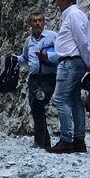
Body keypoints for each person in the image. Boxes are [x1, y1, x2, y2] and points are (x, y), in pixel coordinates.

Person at [48, 0, 90, 154]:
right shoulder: (75, 14)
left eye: (58, 0)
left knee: (60, 98)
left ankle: (66, 140)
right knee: (75, 100)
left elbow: (82, 41)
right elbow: (84, 40)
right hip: (74, 62)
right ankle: (79, 140)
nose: (57, 4)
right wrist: (88, 63)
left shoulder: (73, 15)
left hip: (70, 63)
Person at [15, 10, 57, 149]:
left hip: (49, 77)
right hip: (33, 78)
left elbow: (61, 54)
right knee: (34, 107)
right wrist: (14, 59)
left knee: (39, 103)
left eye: (40, 20)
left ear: (44, 22)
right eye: (34, 21)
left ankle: (41, 141)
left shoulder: (52, 36)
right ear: (30, 23)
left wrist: (47, 55)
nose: (37, 23)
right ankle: (43, 142)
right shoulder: (29, 41)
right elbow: (25, 58)